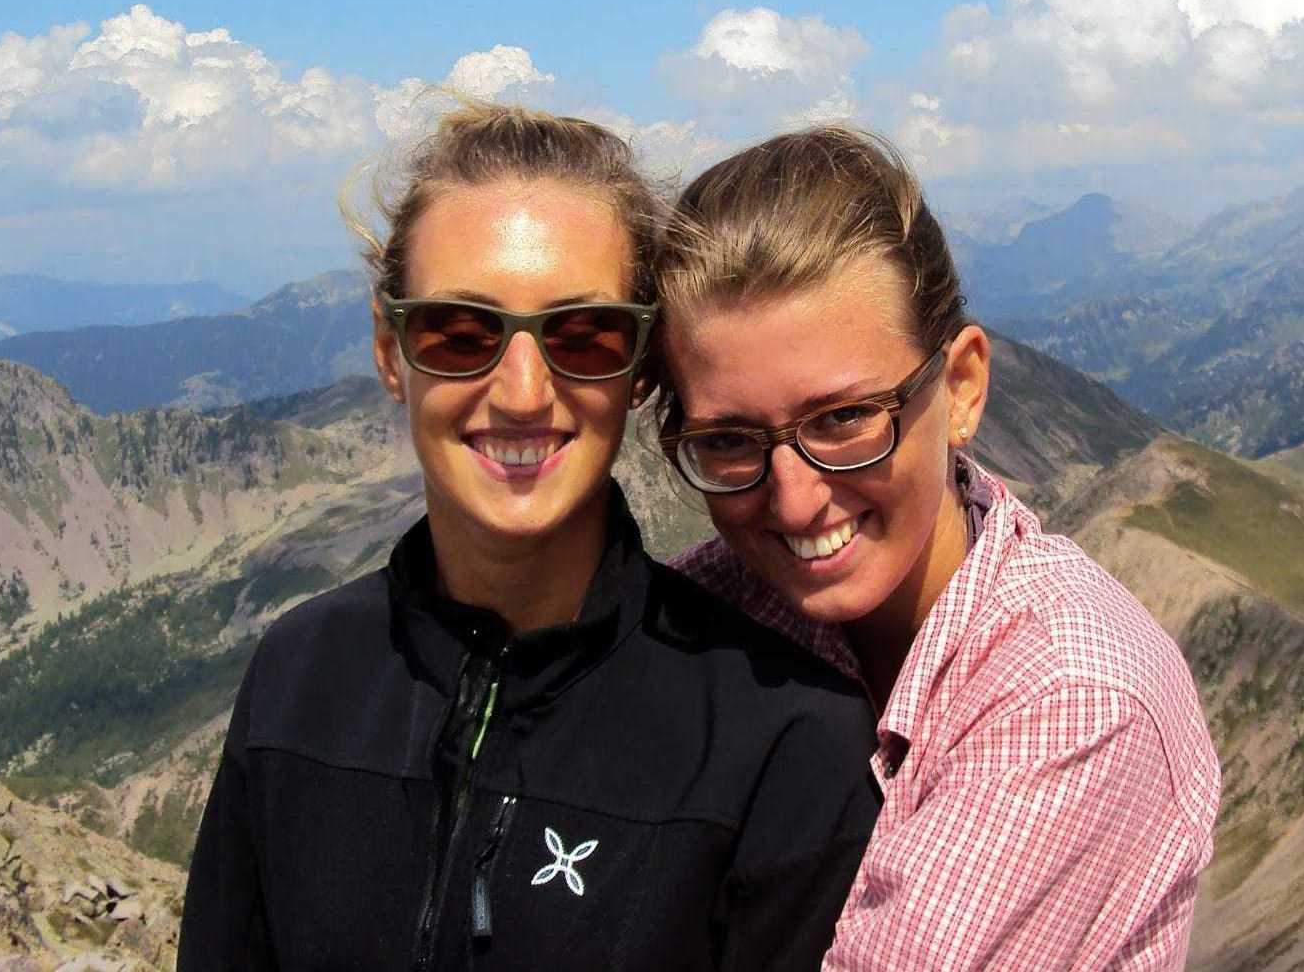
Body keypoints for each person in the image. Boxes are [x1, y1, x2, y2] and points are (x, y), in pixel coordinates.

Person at [178, 104, 880, 970]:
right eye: (459, 332)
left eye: (584, 337)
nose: (521, 392)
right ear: (391, 352)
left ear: (640, 368)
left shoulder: (785, 741)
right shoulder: (297, 675)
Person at [656, 127, 1221, 970]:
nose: (795, 499)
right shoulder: (715, 604)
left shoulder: (1076, 700)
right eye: (730, 440)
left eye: (844, 419)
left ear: (961, 388)